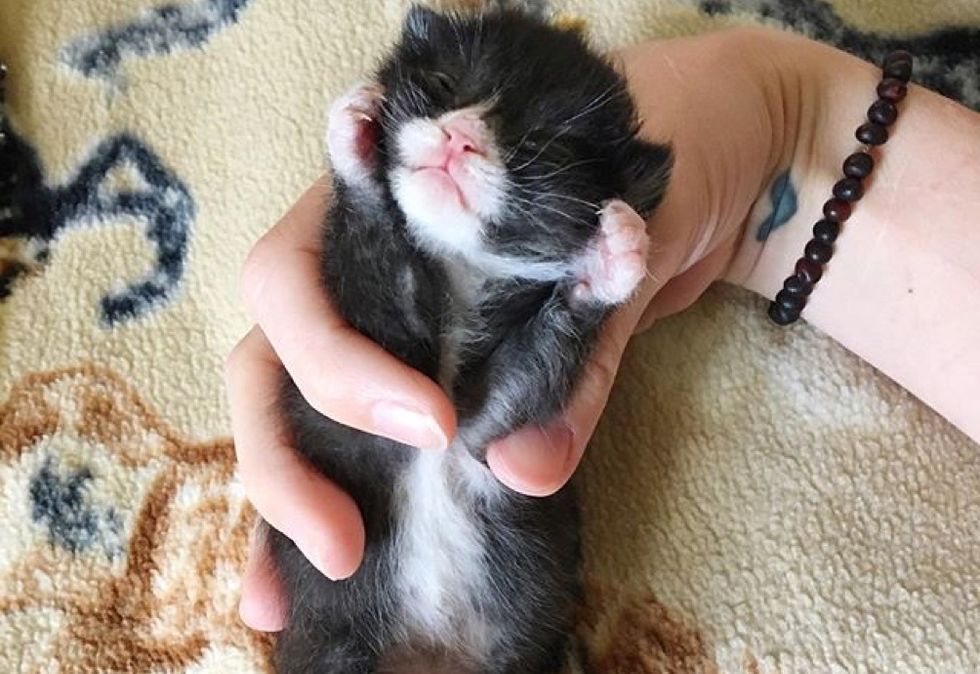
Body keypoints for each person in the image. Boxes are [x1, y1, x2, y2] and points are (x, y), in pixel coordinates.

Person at [224, 25, 980, 631]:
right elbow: (382, 315)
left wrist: (583, 301)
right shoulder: (402, 215)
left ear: (613, 201)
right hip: (352, 624)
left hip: (501, 633)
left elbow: (502, 407)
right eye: (450, 90)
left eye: (542, 151)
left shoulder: (551, 271)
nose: (460, 133)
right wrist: (781, 112)